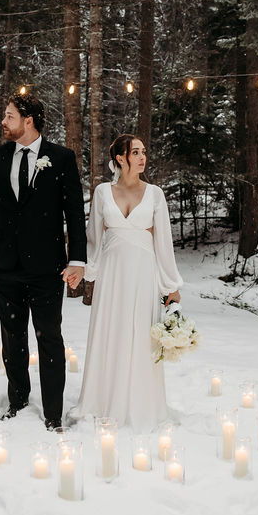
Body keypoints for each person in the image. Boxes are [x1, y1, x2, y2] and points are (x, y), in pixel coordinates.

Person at [0, 93, 86, 431]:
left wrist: (78, 259)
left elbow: (75, 214)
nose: (3, 122)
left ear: (28, 121)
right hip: (4, 265)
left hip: (46, 266)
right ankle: (18, 400)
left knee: (49, 336)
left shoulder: (61, 158)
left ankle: (53, 413)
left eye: (9, 116)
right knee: (12, 335)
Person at [70, 134, 183, 431]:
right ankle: (102, 400)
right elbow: (93, 239)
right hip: (112, 275)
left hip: (143, 275)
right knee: (112, 331)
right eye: (136, 152)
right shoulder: (103, 192)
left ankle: (141, 403)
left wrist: (171, 285)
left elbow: (163, 243)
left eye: (144, 151)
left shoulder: (155, 194)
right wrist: (83, 269)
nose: (143, 157)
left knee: (141, 335)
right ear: (120, 158)